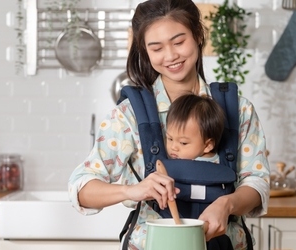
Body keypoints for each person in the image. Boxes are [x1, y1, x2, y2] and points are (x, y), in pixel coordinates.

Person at [68, 0, 271, 249]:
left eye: (178, 42)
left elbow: (257, 182)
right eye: (157, 48)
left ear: (197, 35)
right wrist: (132, 191)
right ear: (144, 51)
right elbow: (80, 189)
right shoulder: (129, 114)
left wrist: (227, 204)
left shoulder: (237, 109)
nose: (171, 56)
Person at [165, 93, 224, 161]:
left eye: (183, 143)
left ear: (208, 145)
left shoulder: (201, 168)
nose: (173, 147)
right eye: (170, 139)